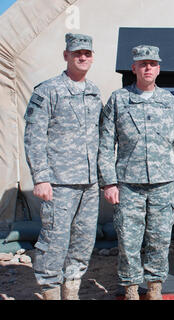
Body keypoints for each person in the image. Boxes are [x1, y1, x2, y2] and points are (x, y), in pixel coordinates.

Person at [98, 45, 174, 300]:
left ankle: (154, 288)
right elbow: (106, 143)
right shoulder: (118, 99)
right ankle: (130, 289)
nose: (148, 67)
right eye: (143, 63)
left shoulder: (168, 101)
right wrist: (108, 182)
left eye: (152, 63)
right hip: (128, 183)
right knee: (128, 239)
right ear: (134, 68)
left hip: (163, 182)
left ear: (158, 68)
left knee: (160, 239)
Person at [23, 33, 102, 300]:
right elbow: (34, 136)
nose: (82, 57)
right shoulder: (47, 91)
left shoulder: (93, 92)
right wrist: (41, 177)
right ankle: (50, 291)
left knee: (83, 242)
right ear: (66, 55)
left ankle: (71, 291)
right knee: (54, 241)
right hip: (58, 182)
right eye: (77, 53)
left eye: (87, 53)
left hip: (89, 183)